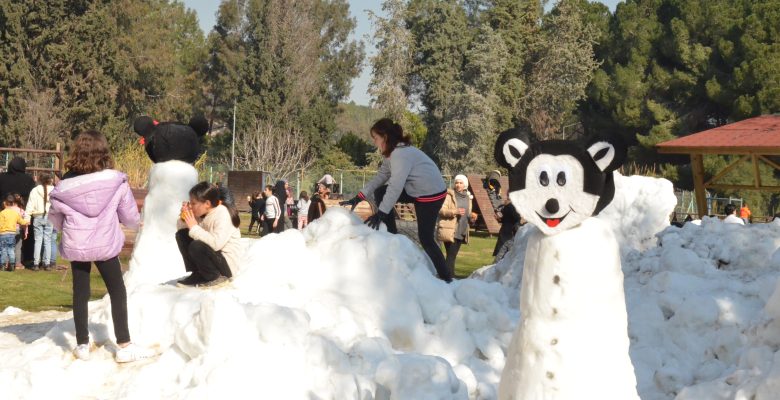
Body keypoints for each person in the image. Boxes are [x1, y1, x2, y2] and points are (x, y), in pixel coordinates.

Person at [48, 130, 152, 362]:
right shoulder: (115, 181)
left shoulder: (64, 185)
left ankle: (82, 344)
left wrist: (61, 228)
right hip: (106, 243)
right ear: (103, 150)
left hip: (78, 243)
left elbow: (55, 219)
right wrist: (137, 224)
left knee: (80, 292)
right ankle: (124, 344)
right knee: (117, 291)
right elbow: (128, 214)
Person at [340, 118, 451, 282]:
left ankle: (446, 278)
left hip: (431, 195)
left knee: (426, 238)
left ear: (385, 137)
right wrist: (360, 196)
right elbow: (381, 177)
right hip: (417, 190)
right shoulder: (392, 155)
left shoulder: (401, 155)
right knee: (380, 192)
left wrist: (382, 213)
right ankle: (392, 236)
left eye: (376, 138)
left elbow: (395, 187)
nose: (375, 142)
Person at [175, 182, 242, 288]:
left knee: (196, 245)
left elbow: (216, 244)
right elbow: (182, 229)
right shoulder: (203, 213)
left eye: (193, 203)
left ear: (207, 203)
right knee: (182, 235)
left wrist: (194, 227)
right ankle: (198, 273)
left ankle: (216, 277)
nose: (191, 206)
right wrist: (185, 217)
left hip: (226, 266)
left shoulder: (223, 214)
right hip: (214, 258)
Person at [437, 175, 472, 279]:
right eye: (456, 182)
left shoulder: (468, 198)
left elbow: (467, 214)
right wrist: (454, 212)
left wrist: (471, 217)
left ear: (465, 184)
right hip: (450, 229)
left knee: (452, 256)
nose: (458, 185)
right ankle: (447, 277)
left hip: (462, 230)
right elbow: (441, 211)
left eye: (461, 183)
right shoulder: (449, 196)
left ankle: (449, 276)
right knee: (451, 256)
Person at [26, 173, 55, 270]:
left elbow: (30, 205)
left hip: (38, 216)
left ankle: (36, 264)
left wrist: (27, 218)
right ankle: (47, 264)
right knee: (48, 240)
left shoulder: (34, 190)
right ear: (49, 180)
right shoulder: (53, 190)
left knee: (38, 240)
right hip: (49, 216)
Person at [0, 194, 30, 271]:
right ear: (13, 203)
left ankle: (3, 265)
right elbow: (20, 221)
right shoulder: (15, 213)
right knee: (11, 248)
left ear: (5, 203)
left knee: (3, 249)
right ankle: (12, 265)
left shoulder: (2, 213)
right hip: (12, 234)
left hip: (3, 233)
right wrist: (26, 222)